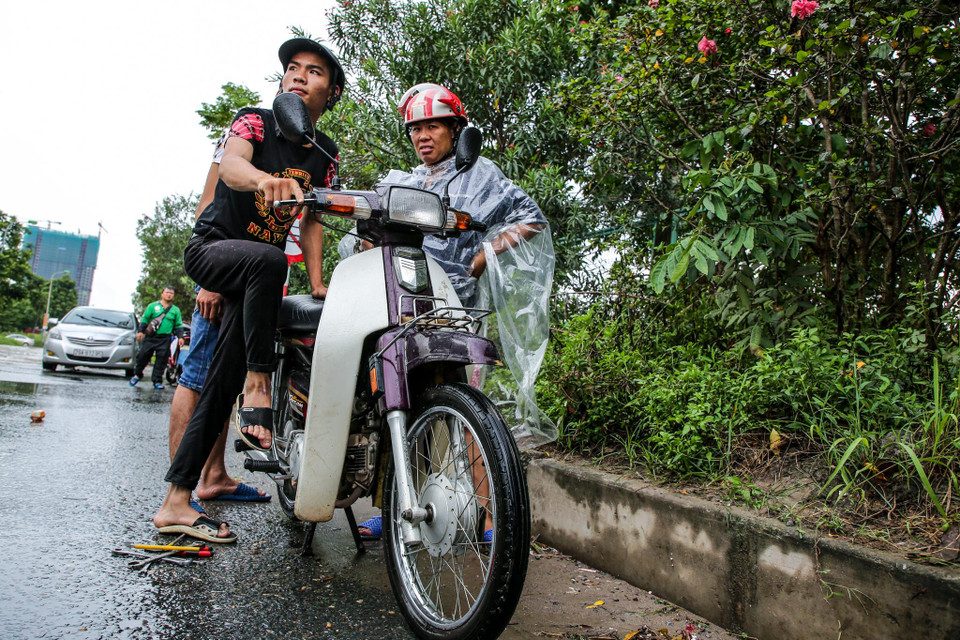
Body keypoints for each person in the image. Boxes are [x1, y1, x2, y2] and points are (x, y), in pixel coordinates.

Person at [153, 37, 344, 544]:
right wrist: (264, 180)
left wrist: (322, 281)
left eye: (316, 71)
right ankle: (259, 383)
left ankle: (176, 501)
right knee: (269, 259)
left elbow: (314, 221)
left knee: (219, 385)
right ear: (282, 81)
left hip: (256, 278)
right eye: (294, 68)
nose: (301, 75)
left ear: (333, 91)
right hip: (215, 252)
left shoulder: (325, 153)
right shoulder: (253, 120)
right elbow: (231, 167)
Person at [347, 83, 556, 538]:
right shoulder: (399, 180)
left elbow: (531, 217)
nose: (423, 136)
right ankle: (397, 508)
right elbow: (363, 227)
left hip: (451, 308)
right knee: (393, 404)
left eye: (433, 125)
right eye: (416, 128)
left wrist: (482, 257)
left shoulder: (479, 175)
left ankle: (488, 521)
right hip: (396, 307)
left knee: (469, 409)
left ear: (456, 129)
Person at [130, 286, 184, 390]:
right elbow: (145, 319)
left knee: (161, 360)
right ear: (162, 294)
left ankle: (157, 381)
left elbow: (178, 325)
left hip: (165, 338)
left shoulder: (175, 310)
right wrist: (141, 331)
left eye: (171, 293)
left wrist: (180, 337)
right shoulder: (152, 306)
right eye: (167, 292)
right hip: (151, 337)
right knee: (142, 355)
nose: (169, 295)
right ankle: (137, 374)